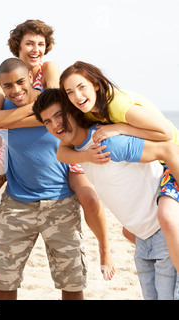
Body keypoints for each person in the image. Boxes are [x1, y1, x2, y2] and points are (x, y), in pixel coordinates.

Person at [0, 20, 114, 280]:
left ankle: (105, 247)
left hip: (55, 142)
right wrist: (19, 118)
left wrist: (12, 118)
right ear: (17, 46)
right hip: (6, 143)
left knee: (88, 196)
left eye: (41, 44)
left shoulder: (49, 68)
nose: (35, 49)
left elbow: (50, 111)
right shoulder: (2, 77)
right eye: (29, 43)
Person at [33, 88, 179, 299]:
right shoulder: (78, 152)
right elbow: (61, 154)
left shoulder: (108, 142)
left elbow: (169, 150)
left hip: (164, 234)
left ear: (74, 111)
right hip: (142, 240)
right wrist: (84, 156)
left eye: (59, 115)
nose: (55, 124)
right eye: (47, 121)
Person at [58, 61, 179, 272]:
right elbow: (61, 152)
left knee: (166, 219)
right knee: (130, 232)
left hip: (171, 156)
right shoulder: (85, 110)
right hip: (154, 156)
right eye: (69, 92)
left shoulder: (118, 106)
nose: (77, 96)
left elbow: (166, 135)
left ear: (96, 84)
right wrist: (86, 155)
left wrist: (120, 127)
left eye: (81, 87)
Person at [0, 58, 87, 300]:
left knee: (72, 283)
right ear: (1, 86)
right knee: (5, 281)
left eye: (21, 82)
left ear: (32, 78)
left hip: (61, 203)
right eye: (8, 85)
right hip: (17, 204)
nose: (16, 90)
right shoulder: (2, 111)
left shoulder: (54, 106)